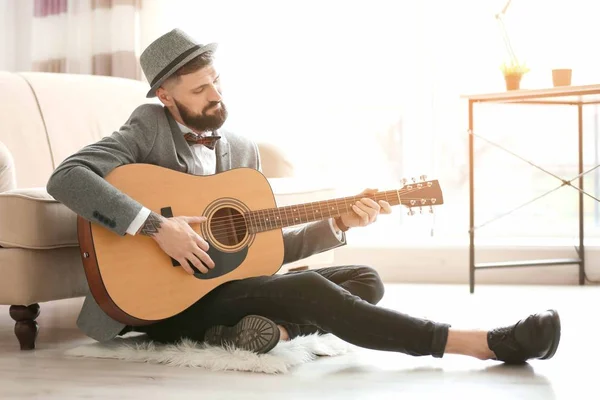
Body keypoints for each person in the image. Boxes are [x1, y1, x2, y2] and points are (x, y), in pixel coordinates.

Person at [47, 29, 561, 363]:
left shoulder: (241, 150)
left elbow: (263, 250)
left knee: (365, 278)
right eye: (200, 89)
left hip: (223, 290)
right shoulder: (145, 129)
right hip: (157, 304)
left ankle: (274, 335)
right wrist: (158, 228)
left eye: (217, 82)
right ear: (166, 96)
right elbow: (67, 176)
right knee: (311, 290)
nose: (217, 95)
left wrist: (338, 226)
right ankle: (478, 343)